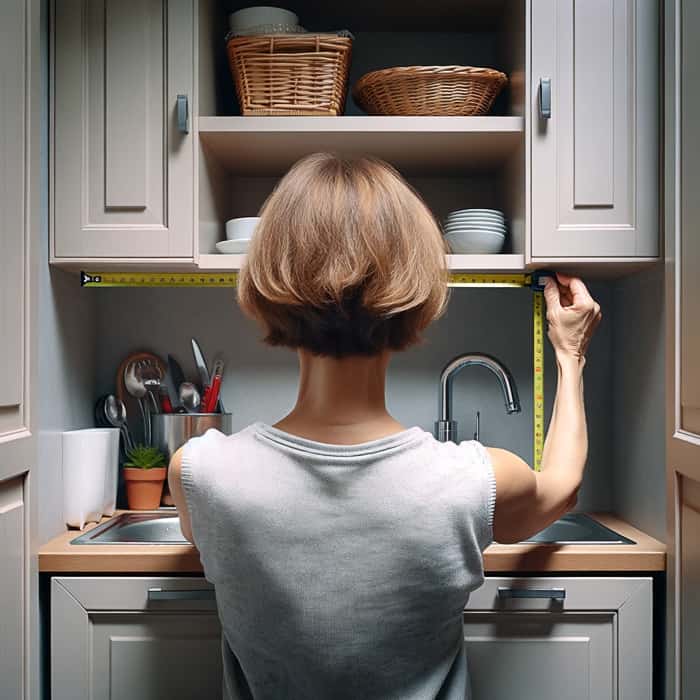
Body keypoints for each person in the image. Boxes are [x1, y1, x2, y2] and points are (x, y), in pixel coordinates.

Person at [168, 153, 602, 700]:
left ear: (265, 283)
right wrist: (570, 355)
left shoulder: (200, 473)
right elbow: (561, 489)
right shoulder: (474, 482)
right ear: (416, 295)